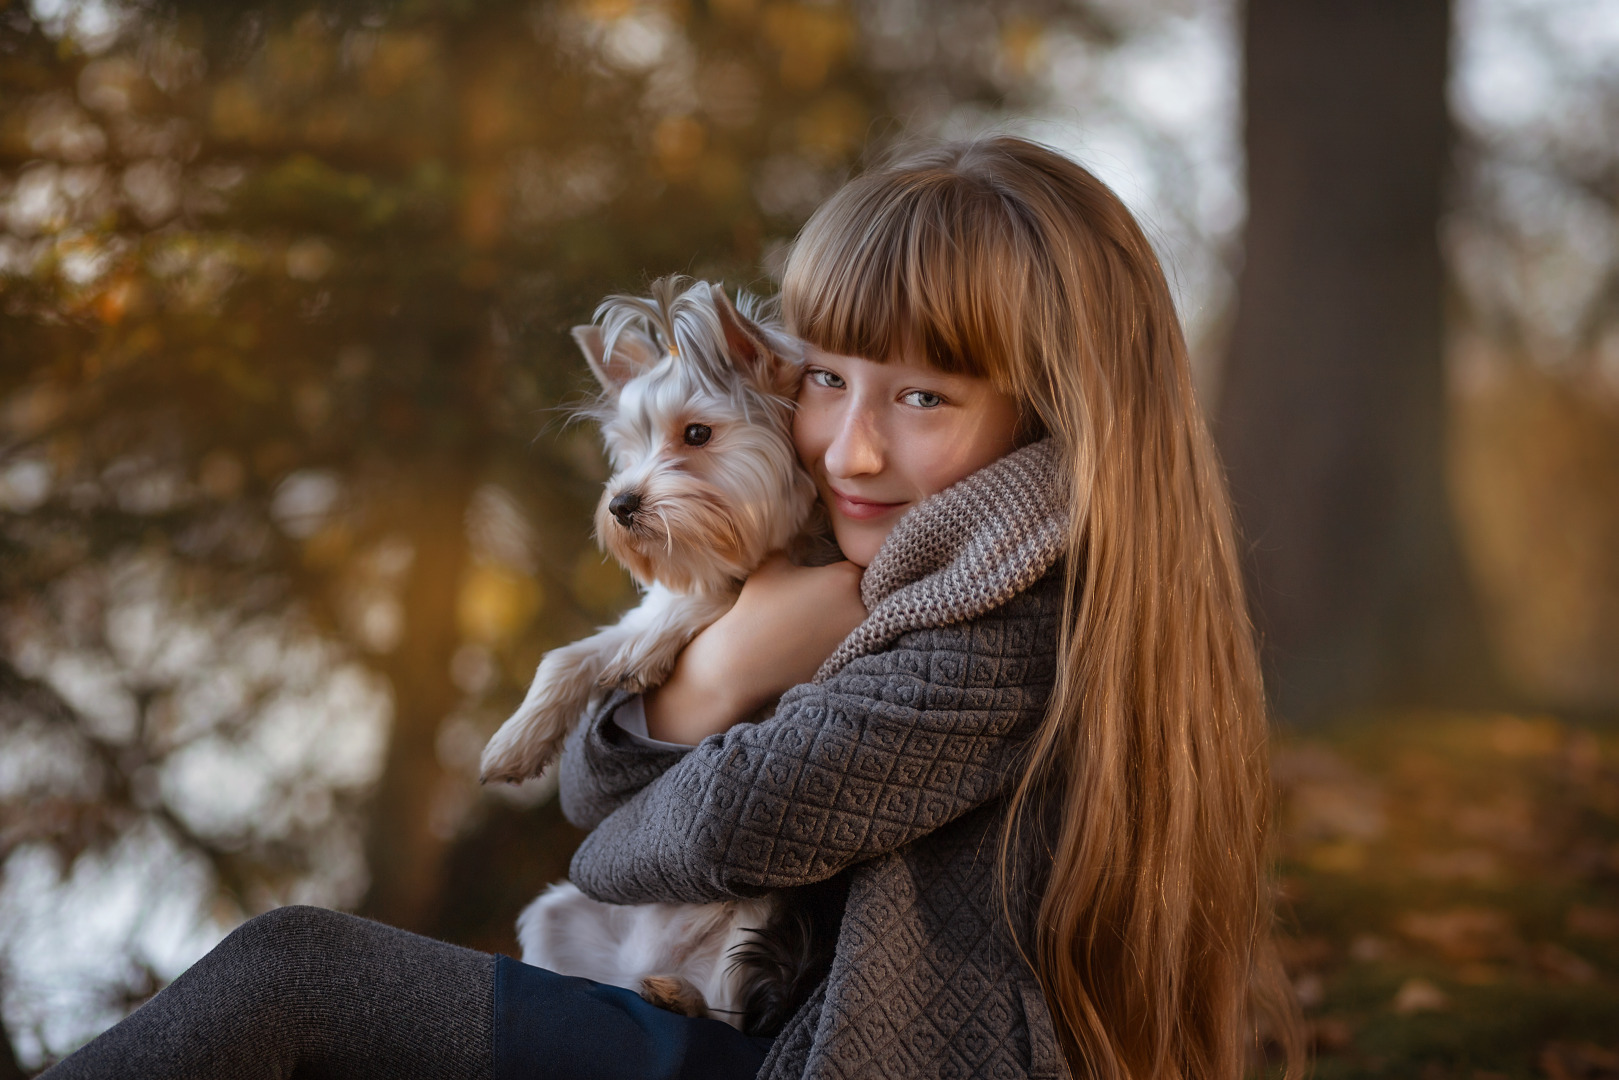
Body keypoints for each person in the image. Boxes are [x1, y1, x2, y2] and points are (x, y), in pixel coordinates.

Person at [41, 135, 1305, 1080]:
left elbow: (655, 839)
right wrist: (717, 671)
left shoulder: (1006, 614)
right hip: (763, 1029)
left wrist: (735, 660)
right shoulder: (895, 563)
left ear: (1049, 408)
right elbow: (596, 782)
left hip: (834, 1061)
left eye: (923, 399)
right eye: (822, 379)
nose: (851, 451)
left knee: (294, 975)